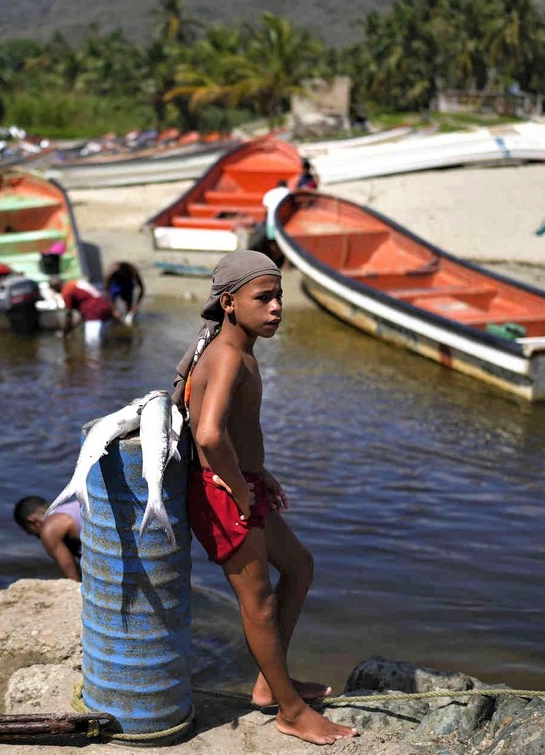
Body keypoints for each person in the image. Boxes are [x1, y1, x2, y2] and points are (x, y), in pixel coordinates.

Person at [173, 250, 357, 746]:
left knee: (299, 566)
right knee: (257, 603)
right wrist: (237, 486)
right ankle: (291, 712)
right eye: (264, 297)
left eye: (279, 296)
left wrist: (257, 473)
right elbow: (209, 435)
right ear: (229, 303)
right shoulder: (228, 354)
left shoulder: (235, 347)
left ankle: (267, 686)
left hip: (239, 484)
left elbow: (231, 431)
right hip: (221, 494)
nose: (277, 307)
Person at [13, 495, 81, 581]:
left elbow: (72, 579)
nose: (30, 534)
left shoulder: (50, 528)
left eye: (28, 530)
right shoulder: (71, 509)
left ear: (32, 521)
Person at [50, 276, 120, 344]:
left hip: (94, 312)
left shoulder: (66, 291)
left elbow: (68, 315)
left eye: (53, 289)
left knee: (92, 343)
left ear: (56, 286)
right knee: (105, 342)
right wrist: (113, 309)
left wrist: (65, 331)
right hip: (105, 308)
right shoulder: (76, 283)